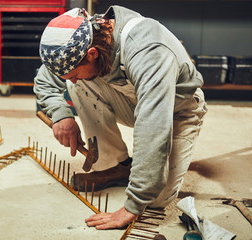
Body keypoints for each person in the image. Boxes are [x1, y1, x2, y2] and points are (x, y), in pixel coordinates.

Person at [34, 5, 207, 230]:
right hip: (134, 102)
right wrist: (61, 116)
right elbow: (45, 81)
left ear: (92, 54)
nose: (73, 80)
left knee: (154, 199)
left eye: (75, 74)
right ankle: (116, 165)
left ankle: (141, 181)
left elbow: (153, 125)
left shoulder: (147, 50)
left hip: (178, 110)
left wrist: (133, 205)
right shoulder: (81, 38)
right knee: (79, 85)